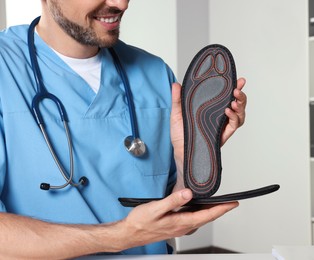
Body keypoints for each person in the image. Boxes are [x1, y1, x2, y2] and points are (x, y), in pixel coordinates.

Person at [0, 0, 247, 258]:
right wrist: (120, 236)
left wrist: (190, 163)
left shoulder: (155, 74)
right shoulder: (6, 68)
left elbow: (173, 221)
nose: (121, 3)